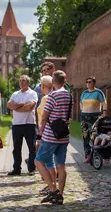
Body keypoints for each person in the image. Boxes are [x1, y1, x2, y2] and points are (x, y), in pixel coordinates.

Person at [35, 70, 72, 205]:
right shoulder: (69, 96)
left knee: (38, 161)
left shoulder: (52, 96)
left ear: (53, 82)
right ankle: (60, 195)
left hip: (51, 136)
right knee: (61, 165)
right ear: (64, 81)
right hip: (63, 135)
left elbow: (44, 117)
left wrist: (40, 133)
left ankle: (52, 189)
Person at [7, 75, 38, 176]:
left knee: (32, 147)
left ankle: (32, 168)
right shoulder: (15, 94)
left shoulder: (33, 93)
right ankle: (16, 168)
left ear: (28, 82)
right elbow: (9, 105)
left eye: (23, 80)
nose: (21, 82)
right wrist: (22, 104)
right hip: (17, 124)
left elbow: (29, 107)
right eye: (20, 80)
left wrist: (16, 106)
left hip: (30, 124)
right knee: (16, 148)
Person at [80, 76, 107, 163]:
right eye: (87, 82)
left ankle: (98, 155)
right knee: (85, 136)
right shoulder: (84, 93)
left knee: (95, 136)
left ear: (94, 83)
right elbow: (81, 105)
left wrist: (104, 112)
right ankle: (87, 155)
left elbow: (104, 103)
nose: (88, 83)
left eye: (90, 82)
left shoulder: (98, 92)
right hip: (84, 117)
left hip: (95, 118)